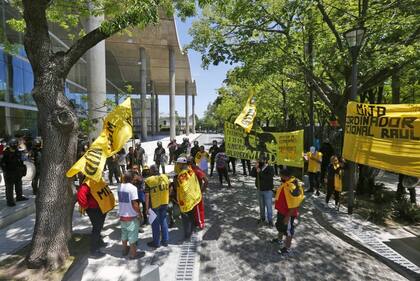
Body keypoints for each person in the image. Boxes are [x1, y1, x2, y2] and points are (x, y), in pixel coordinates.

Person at [273, 168, 304, 256]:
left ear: (285, 176)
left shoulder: (293, 186)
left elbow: (295, 204)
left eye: (280, 175)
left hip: (288, 214)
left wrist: (287, 216)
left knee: (288, 231)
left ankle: (287, 248)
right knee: (280, 226)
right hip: (281, 211)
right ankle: (279, 240)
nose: (280, 176)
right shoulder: (286, 182)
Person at [77, 176, 108, 258]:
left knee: (99, 226)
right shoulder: (87, 183)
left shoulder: (96, 179)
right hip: (94, 209)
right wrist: (86, 206)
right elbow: (81, 195)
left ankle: (99, 242)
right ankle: (93, 250)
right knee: (96, 228)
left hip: (100, 207)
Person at [117, 171, 145, 259]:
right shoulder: (132, 188)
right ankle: (133, 254)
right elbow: (134, 203)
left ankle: (125, 250)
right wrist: (139, 214)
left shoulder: (119, 186)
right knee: (132, 236)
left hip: (122, 215)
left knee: (124, 234)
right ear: (132, 179)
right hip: (131, 216)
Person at [174, 157, 202, 239]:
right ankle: (192, 230)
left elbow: (180, 187)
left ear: (182, 164)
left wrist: (175, 181)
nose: (177, 165)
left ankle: (187, 234)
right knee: (191, 215)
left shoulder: (181, 175)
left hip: (185, 199)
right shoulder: (190, 170)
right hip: (192, 197)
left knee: (186, 218)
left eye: (178, 163)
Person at [144, 165, 170, 248]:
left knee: (155, 224)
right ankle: (165, 241)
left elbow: (147, 196)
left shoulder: (148, 180)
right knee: (163, 221)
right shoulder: (165, 177)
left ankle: (156, 242)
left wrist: (146, 208)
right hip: (165, 202)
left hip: (154, 204)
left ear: (151, 171)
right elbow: (169, 188)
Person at [0, 138, 27, 207]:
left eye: (16, 144)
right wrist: (6, 171)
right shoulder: (6, 153)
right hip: (9, 173)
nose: (15, 145)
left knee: (18, 185)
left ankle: (19, 197)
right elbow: (2, 164)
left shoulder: (17, 151)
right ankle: (10, 201)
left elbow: (21, 161)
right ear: (10, 145)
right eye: (14, 144)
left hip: (17, 172)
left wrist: (22, 169)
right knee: (9, 187)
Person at [250, 155, 275, 227]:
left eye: (261, 160)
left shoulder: (270, 168)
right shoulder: (258, 167)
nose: (260, 161)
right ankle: (262, 218)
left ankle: (270, 220)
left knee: (269, 206)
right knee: (261, 206)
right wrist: (255, 167)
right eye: (258, 160)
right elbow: (252, 174)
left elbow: (268, 178)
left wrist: (260, 172)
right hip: (259, 190)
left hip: (267, 191)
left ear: (265, 161)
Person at [188, 156, 208, 229]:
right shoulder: (189, 170)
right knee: (194, 209)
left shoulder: (196, 170)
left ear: (192, 162)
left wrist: (201, 190)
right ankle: (196, 222)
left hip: (196, 193)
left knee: (198, 209)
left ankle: (200, 224)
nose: (187, 164)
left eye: (188, 162)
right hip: (191, 193)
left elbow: (206, 181)